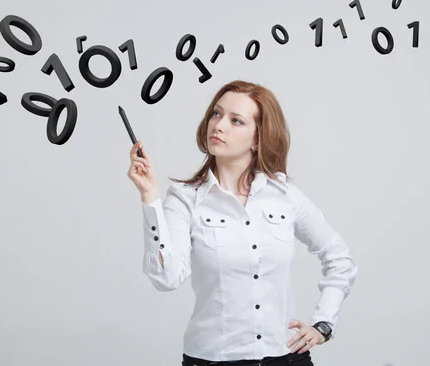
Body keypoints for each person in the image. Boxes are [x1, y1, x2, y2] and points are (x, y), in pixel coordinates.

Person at [127, 80, 358, 365]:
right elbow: (167, 278)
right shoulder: (186, 198)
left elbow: (339, 258)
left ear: (258, 138)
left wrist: (324, 324)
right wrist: (150, 197)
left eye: (236, 121)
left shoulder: (284, 195)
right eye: (216, 113)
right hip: (213, 360)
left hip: (285, 358)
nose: (219, 125)